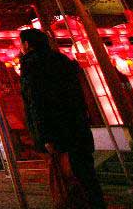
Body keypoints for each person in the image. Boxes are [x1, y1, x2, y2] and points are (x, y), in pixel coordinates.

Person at [19, 27, 105, 209]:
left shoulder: (32, 65)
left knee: (68, 182)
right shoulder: (63, 61)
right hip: (77, 127)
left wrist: (46, 136)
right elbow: (78, 97)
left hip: (57, 132)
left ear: (26, 44)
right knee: (86, 179)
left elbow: (37, 103)